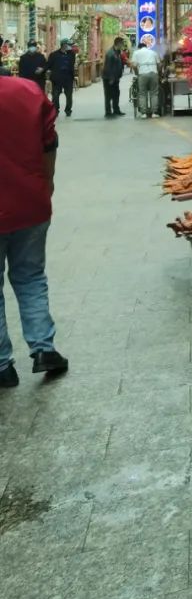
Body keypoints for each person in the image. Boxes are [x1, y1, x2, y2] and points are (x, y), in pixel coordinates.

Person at [0, 76, 68, 387]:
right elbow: (49, 142)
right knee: (30, 276)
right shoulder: (27, 90)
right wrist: (47, 183)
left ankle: (2, 366)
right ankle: (43, 349)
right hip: (29, 201)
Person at [46, 37, 78, 117]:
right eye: (69, 44)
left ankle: (68, 110)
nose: (70, 46)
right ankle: (56, 110)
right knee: (55, 95)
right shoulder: (54, 55)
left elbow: (72, 64)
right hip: (57, 79)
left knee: (69, 95)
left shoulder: (72, 54)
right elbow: (48, 65)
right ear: (63, 45)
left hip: (68, 78)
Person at [132, 37, 161, 118]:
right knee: (154, 93)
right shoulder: (153, 52)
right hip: (153, 72)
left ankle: (144, 113)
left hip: (142, 73)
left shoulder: (136, 53)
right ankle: (154, 113)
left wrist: (137, 73)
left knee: (142, 93)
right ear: (146, 46)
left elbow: (134, 65)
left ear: (139, 47)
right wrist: (158, 72)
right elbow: (159, 64)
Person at [102, 37, 129, 117]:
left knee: (116, 94)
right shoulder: (110, 53)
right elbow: (108, 67)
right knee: (108, 95)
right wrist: (111, 78)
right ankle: (108, 112)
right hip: (109, 78)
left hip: (116, 78)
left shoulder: (117, 52)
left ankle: (116, 110)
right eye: (122, 43)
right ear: (118, 43)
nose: (123, 45)